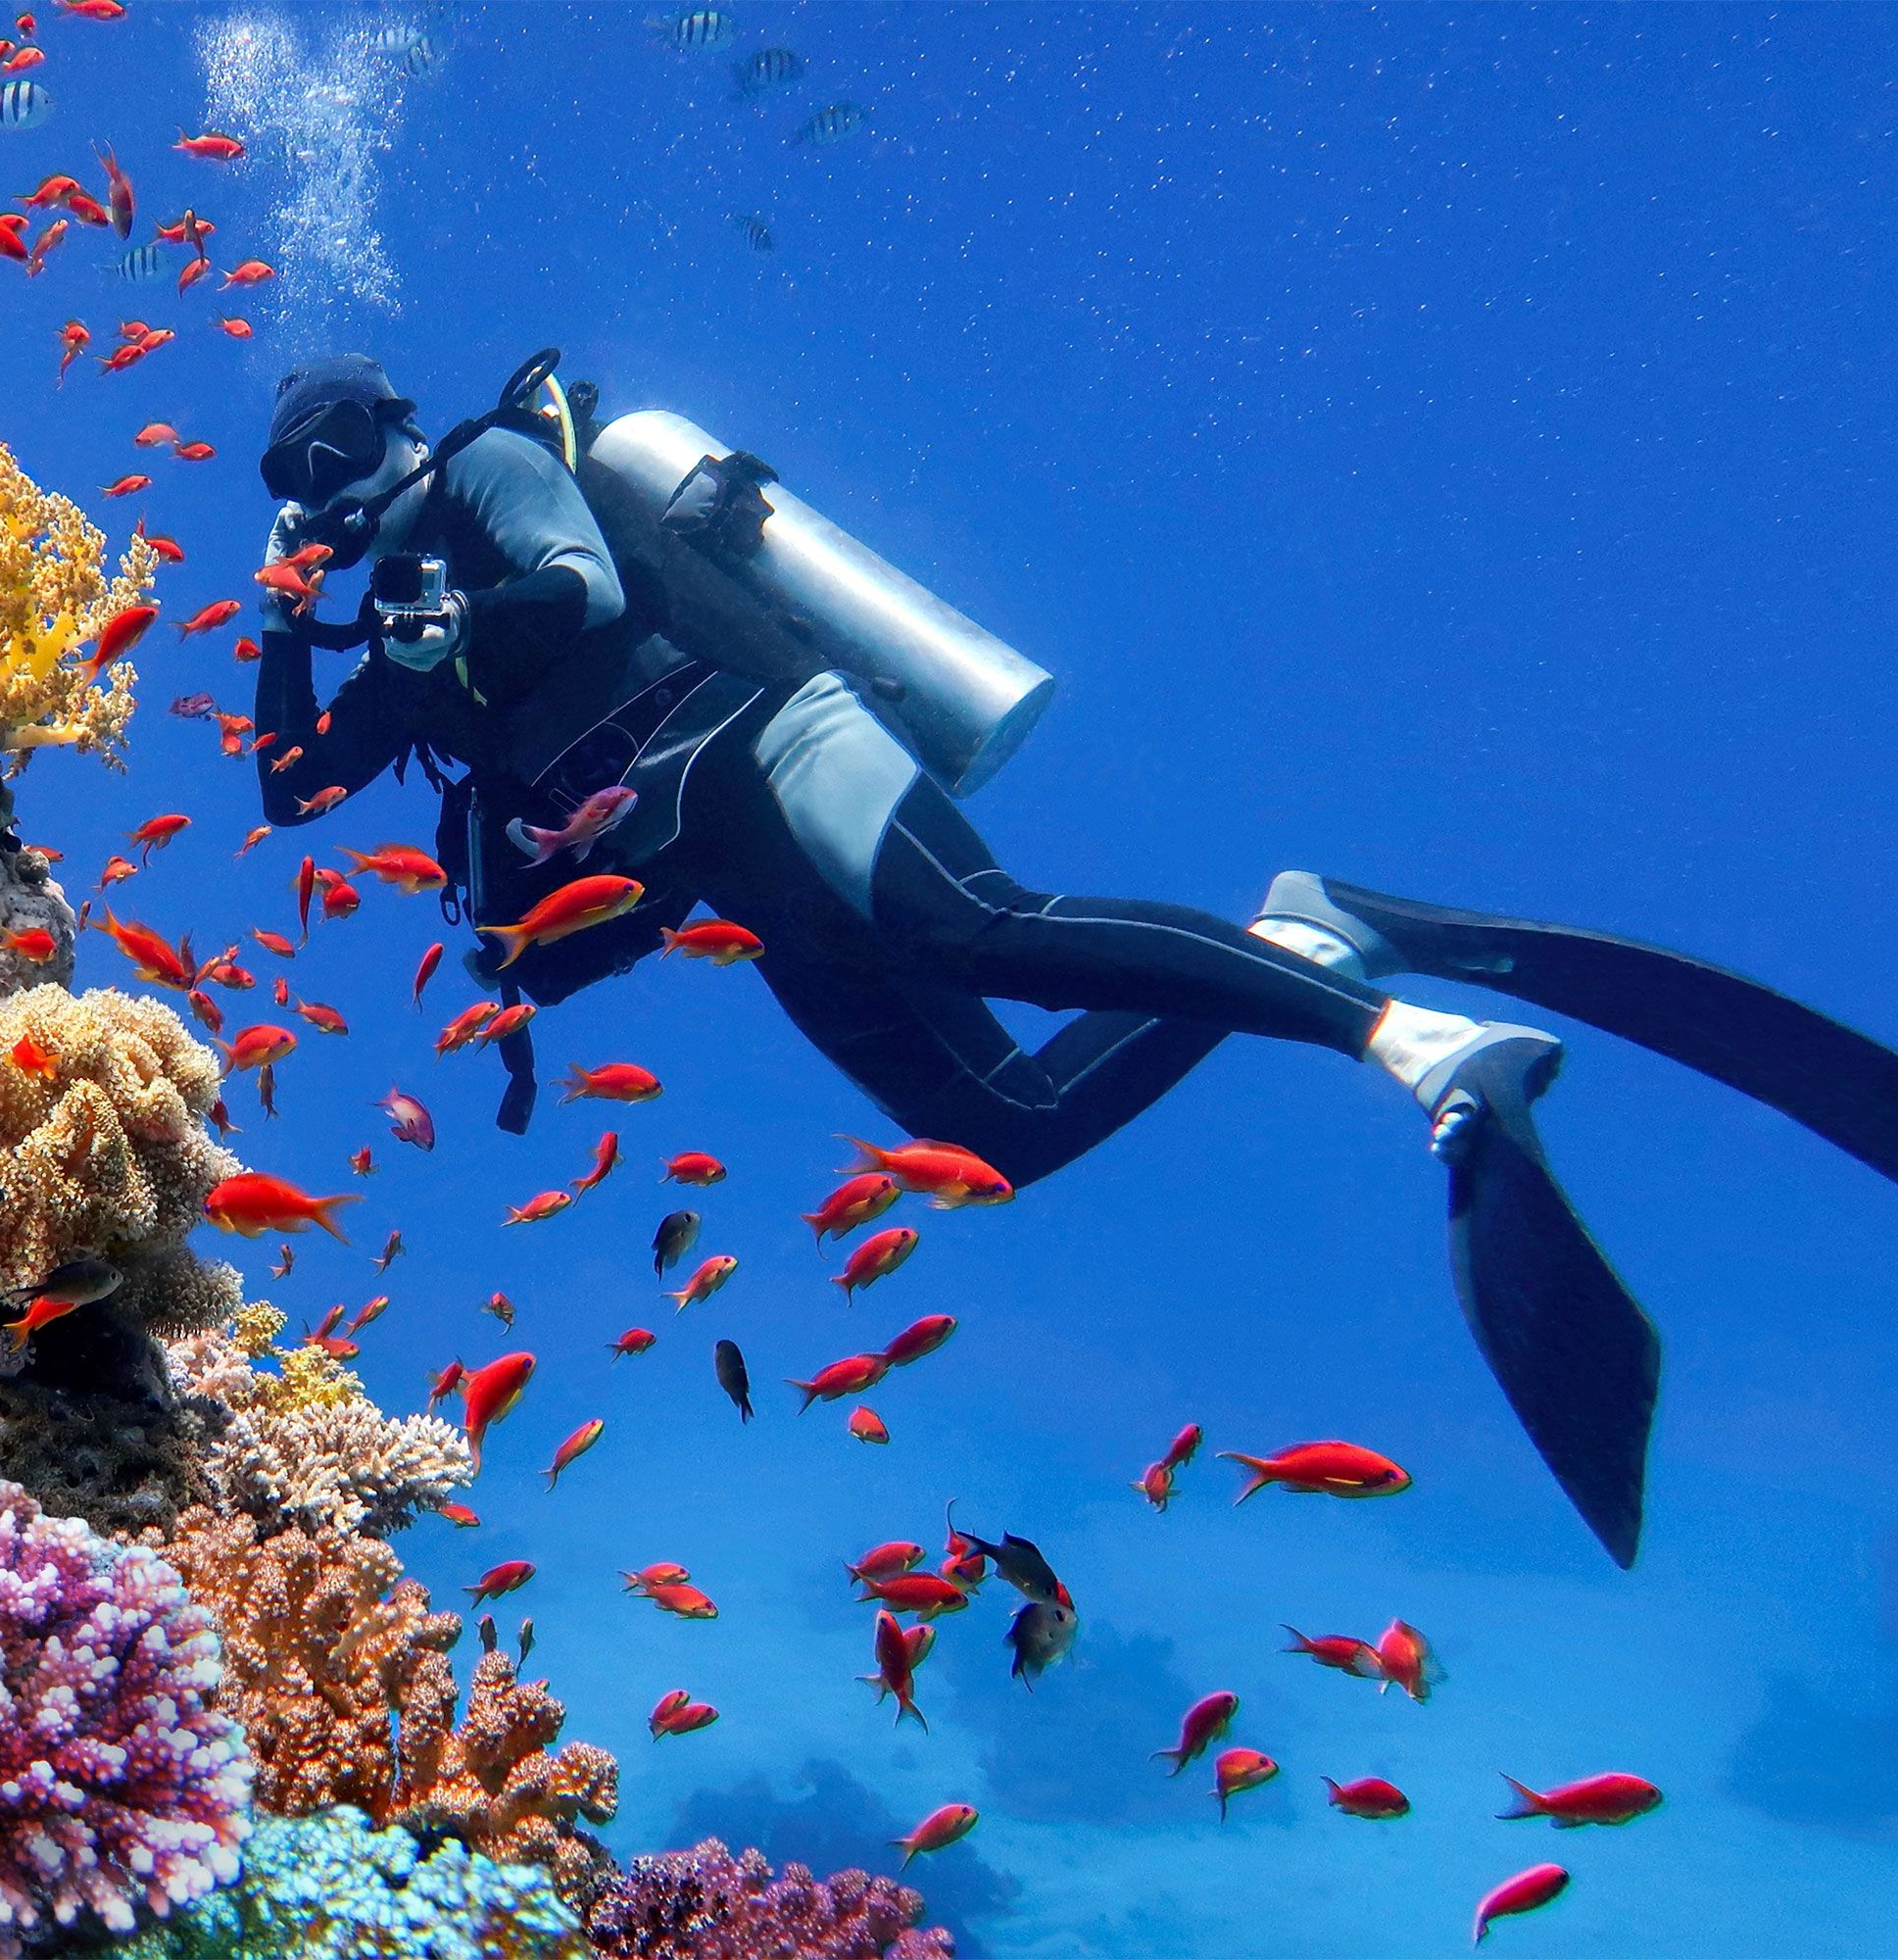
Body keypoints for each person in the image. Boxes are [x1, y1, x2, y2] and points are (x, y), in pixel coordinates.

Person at [248, 352, 1898, 1567]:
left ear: (396, 426)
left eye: (338, 446)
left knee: (989, 928)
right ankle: (1312, 931)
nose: (327, 483)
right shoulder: (396, 651)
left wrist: (455, 622)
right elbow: (291, 786)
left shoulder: (489, 468)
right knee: (997, 1137)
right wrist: (280, 625)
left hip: (778, 748)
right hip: (736, 888)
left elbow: (584, 585)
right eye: (295, 475)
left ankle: (1398, 1037)